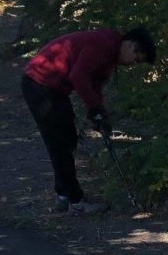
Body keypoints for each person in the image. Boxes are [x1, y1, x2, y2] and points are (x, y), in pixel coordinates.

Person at [20, 26, 156, 213]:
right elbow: (79, 76)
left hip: (51, 89)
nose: (133, 63)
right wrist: (94, 108)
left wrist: (99, 112)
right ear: (131, 45)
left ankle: (64, 195)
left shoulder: (110, 54)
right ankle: (75, 201)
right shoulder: (105, 44)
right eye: (136, 58)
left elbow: (95, 84)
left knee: (66, 140)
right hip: (40, 83)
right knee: (60, 142)